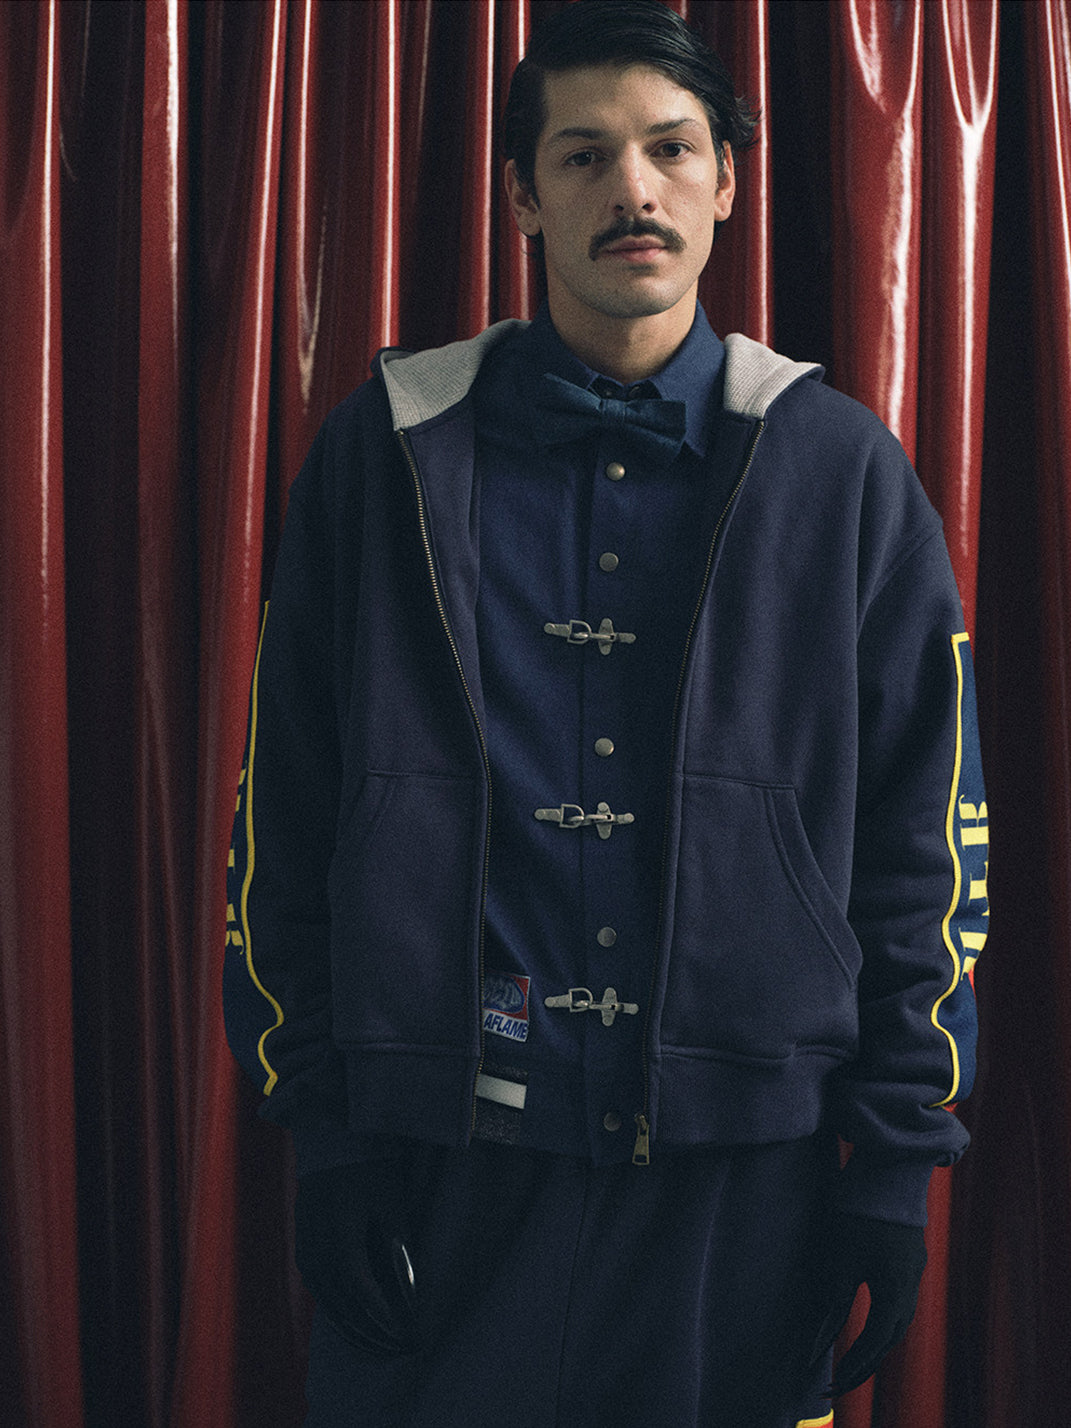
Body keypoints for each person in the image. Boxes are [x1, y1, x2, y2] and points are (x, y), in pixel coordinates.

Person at [224, 3, 987, 1424]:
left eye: (670, 149)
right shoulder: (386, 455)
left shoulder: (845, 473)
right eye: (582, 156)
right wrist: (328, 1137)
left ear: (727, 181)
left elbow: (925, 846)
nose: (633, 189)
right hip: (437, 1169)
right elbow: (288, 815)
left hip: (745, 1183)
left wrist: (893, 1165)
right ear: (523, 196)